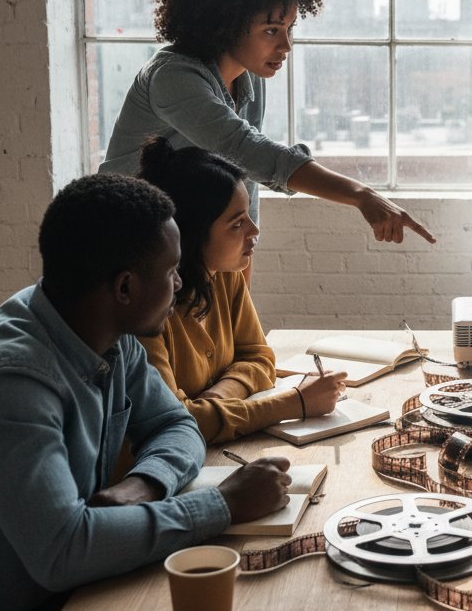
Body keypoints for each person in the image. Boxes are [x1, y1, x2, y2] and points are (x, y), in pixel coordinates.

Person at [0, 174, 291, 611]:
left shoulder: (109, 329)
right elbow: (62, 550)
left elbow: (175, 426)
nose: (180, 284)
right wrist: (222, 506)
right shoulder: (17, 382)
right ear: (127, 287)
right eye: (173, 270)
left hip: (75, 594)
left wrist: (147, 483)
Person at [99, 0, 435, 257]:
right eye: (272, 30)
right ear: (224, 23)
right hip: (116, 241)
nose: (286, 45)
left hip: (177, 244)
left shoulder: (250, 79)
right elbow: (248, 151)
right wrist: (362, 195)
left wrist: (243, 282)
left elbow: (243, 184)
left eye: (289, 28)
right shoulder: (172, 78)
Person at [134, 138, 346, 442]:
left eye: (248, 215)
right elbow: (178, 425)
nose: (254, 231)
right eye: (237, 223)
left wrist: (216, 397)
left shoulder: (224, 273)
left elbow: (259, 358)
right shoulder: (145, 310)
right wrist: (295, 402)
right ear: (192, 234)